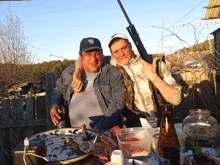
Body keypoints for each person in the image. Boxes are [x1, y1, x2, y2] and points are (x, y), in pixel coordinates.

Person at [72, 33, 182, 127]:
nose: (121, 54)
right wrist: (77, 72)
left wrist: (154, 77)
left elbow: (176, 99)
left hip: (163, 120)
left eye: (124, 48)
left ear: (130, 45)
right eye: (116, 51)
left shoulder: (153, 62)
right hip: (134, 124)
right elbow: (85, 58)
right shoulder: (112, 64)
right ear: (112, 54)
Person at [50, 37, 126, 130]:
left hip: (105, 133)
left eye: (97, 53)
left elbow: (118, 103)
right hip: (72, 133)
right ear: (80, 55)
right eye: (88, 54)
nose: (93, 59)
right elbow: (58, 90)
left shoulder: (113, 73)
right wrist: (53, 106)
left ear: (102, 53)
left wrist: (99, 127)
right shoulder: (69, 72)